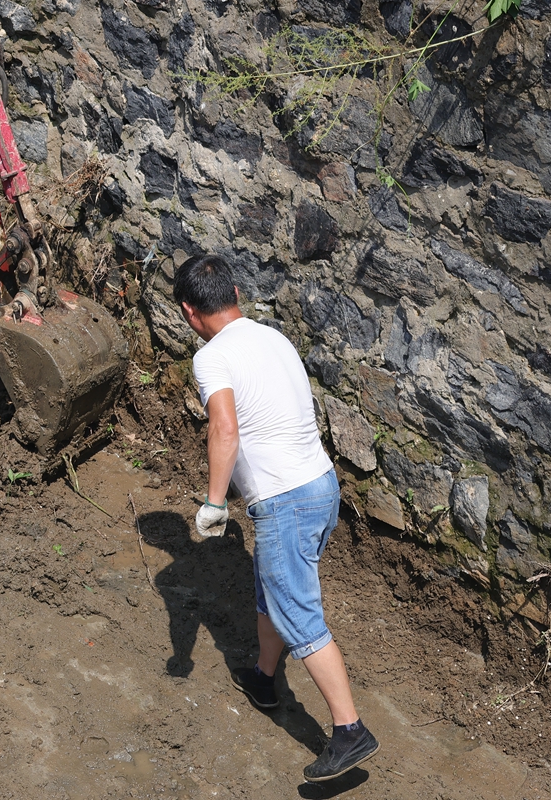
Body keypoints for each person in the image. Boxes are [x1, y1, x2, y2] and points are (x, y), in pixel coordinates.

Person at [174, 254, 379, 783]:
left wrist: (216, 501)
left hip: (285, 500)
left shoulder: (211, 357)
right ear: (236, 292)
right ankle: (265, 680)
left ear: (188, 311)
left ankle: (349, 729)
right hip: (321, 485)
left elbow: (224, 429)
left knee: (300, 613)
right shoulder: (273, 337)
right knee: (275, 592)